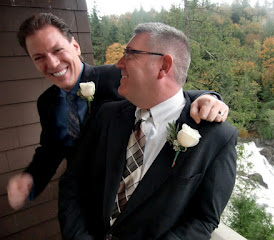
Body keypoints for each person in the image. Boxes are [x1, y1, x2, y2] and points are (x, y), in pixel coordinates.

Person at [6, 13, 229, 210]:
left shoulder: (117, 77)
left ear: (75, 47)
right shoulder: (46, 102)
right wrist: (30, 179)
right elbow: (50, 150)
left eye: (57, 50)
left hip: (125, 199)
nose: (52, 63)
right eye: (39, 58)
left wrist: (207, 97)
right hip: (81, 202)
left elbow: (167, 92)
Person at [58, 22, 238, 240]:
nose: (118, 64)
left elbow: (203, 218)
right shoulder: (106, 115)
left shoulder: (216, 137)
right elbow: (73, 181)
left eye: (130, 54)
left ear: (163, 66)